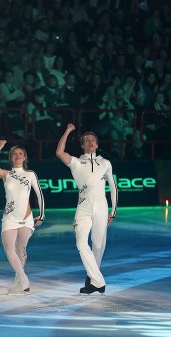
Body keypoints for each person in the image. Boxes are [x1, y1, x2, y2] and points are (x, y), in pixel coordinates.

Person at [56, 124, 118, 295]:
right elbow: (59, 153)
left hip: (101, 207)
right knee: (81, 243)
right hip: (83, 207)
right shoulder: (76, 162)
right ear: (82, 145)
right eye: (86, 140)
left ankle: (92, 280)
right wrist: (68, 131)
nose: (90, 142)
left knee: (98, 246)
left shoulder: (105, 163)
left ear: (97, 144)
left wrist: (113, 211)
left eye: (93, 140)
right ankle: (99, 281)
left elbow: (113, 187)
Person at [0, 140, 45, 295]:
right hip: (9, 218)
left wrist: (42, 215)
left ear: (24, 157)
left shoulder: (30, 174)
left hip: (26, 218)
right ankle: (23, 278)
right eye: (14, 154)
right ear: (11, 158)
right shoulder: (6, 174)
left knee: (21, 250)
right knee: (10, 250)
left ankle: (19, 282)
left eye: (20, 153)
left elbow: (39, 194)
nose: (17, 156)